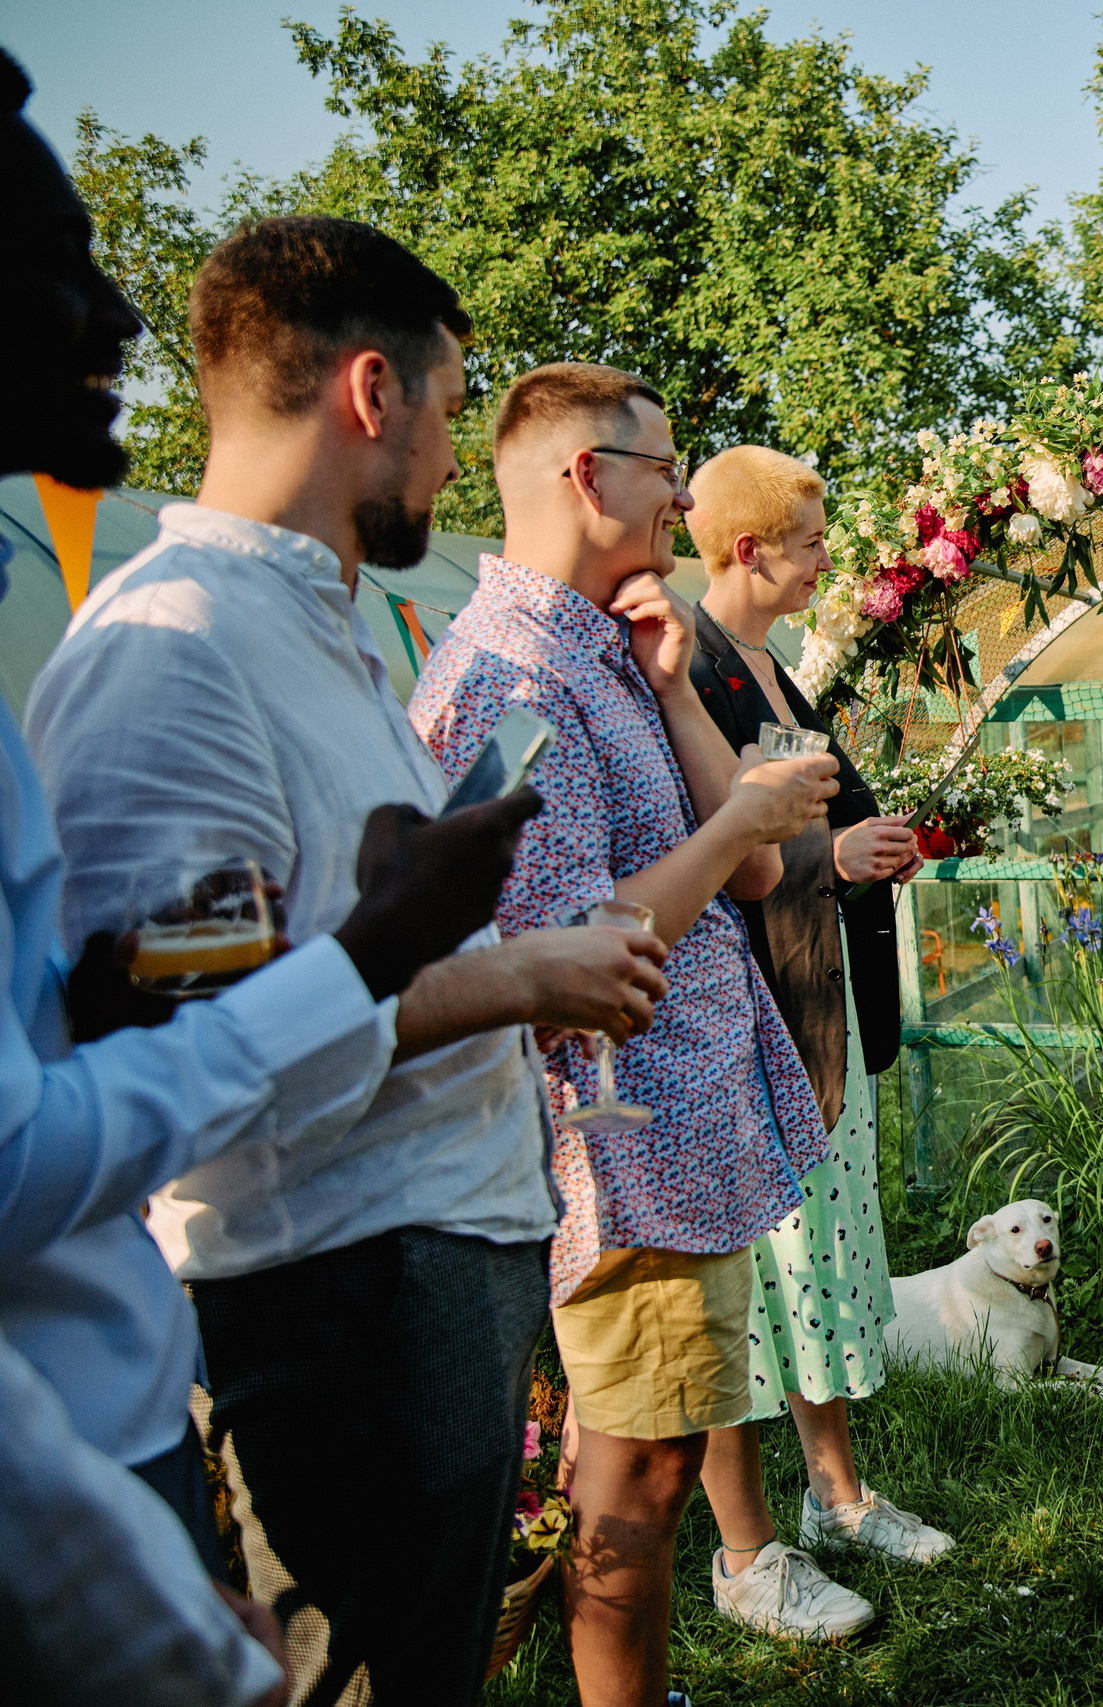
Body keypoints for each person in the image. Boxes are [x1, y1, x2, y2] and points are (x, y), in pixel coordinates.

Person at [0, 59, 600, 1704]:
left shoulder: (325, 629)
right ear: (367, 394)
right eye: (446, 400)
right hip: (332, 1289)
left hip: (433, 1250)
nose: (451, 452)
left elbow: (251, 955)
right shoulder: (173, 647)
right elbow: (154, 1028)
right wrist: (489, 969)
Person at [408, 363, 847, 1706]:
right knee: (634, 1476)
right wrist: (736, 825)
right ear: (586, 476)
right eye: (664, 467)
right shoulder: (507, 679)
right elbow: (574, 957)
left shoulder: (607, 647)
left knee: (657, 1460)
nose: (682, 494)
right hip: (627, 1146)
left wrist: (671, 691)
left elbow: (758, 877)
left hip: (689, 1137)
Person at [682, 446, 954, 1621]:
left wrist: (863, 844)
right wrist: (823, 858)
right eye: (809, 542)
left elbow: (801, 825)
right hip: (749, 1026)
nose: (827, 560)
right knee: (758, 1278)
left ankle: (836, 1494)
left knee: (821, 1264)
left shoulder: (776, 669)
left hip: (821, 1010)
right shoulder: (687, 667)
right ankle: (745, 1548)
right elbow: (706, 848)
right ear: (750, 550)